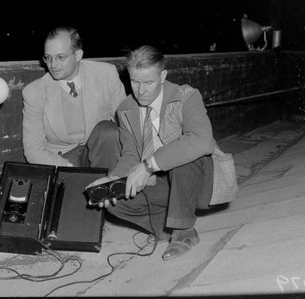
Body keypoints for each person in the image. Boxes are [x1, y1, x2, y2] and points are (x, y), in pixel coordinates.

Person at [87, 45, 226, 261]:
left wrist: (149, 165)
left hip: (201, 183)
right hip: (164, 186)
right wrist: (112, 179)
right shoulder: (125, 109)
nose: (141, 91)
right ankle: (167, 226)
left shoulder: (186, 96)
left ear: (162, 76)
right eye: (135, 82)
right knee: (116, 200)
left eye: (148, 82)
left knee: (181, 153)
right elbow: (130, 156)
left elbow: (202, 141)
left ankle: (184, 231)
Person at [22, 26, 126, 169]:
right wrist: (71, 170)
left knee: (109, 131)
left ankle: (107, 184)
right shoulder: (34, 92)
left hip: (101, 151)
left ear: (78, 55)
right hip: (62, 157)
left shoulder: (106, 74)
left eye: (60, 57)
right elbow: (33, 151)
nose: (53, 65)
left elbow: (127, 124)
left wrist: (138, 165)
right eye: (48, 58)